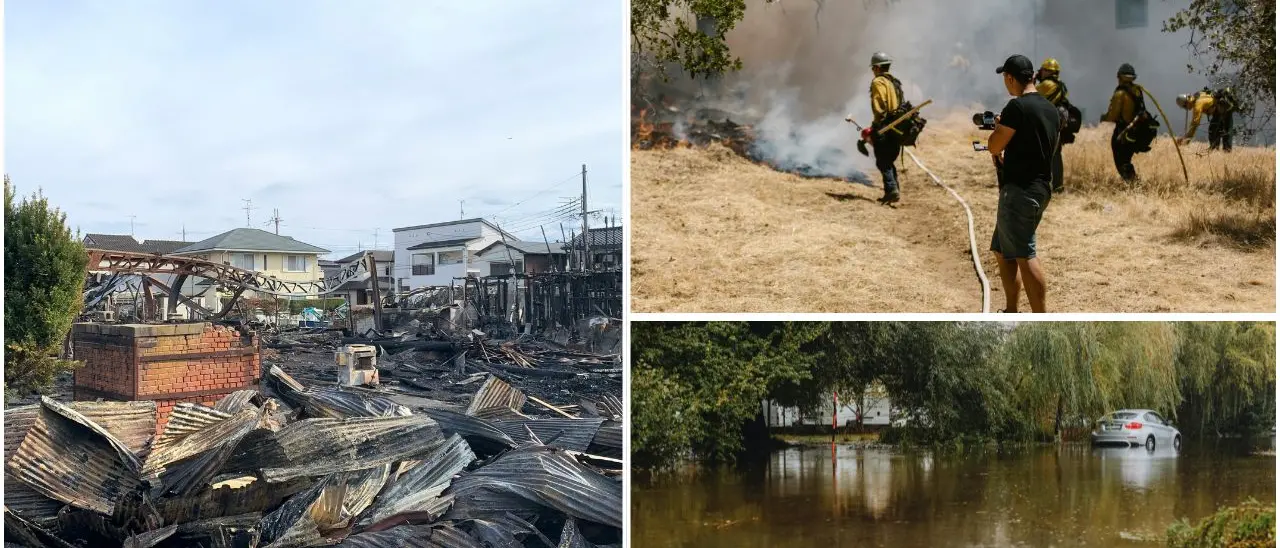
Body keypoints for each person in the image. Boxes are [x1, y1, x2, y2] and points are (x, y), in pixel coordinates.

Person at [987, 54, 1059, 313]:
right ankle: (1010, 309)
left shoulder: (1016, 108)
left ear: (1010, 78)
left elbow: (995, 145)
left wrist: (997, 131)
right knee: (1002, 249)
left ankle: (1041, 316)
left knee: (1024, 254)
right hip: (1040, 188)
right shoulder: (1050, 109)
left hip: (1020, 190)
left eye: (1005, 79)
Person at [867, 51, 905, 203]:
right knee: (888, 160)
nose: (872, 72)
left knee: (882, 161)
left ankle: (892, 190)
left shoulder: (878, 82)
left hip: (885, 126)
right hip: (897, 125)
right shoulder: (894, 82)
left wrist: (877, 125)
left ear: (877, 67)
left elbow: (879, 105)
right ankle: (893, 190)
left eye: (872, 69)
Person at [1100, 63, 1144, 181]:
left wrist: (1103, 117)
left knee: (1121, 159)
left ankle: (1132, 182)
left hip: (1123, 131)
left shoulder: (1120, 93)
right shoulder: (1137, 90)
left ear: (1119, 77)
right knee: (1126, 158)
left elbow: (1112, 115)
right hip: (1135, 130)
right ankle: (1133, 182)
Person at [1035, 58, 1069, 192]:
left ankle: (1039, 184)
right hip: (1055, 124)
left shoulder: (1045, 84)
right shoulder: (1060, 85)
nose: (1040, 72)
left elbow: (1027, 96)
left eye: (1042, 70)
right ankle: (1058, 185)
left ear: (1048, 71)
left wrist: (1032, 82)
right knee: (1056, 155)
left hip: (1045, 124)